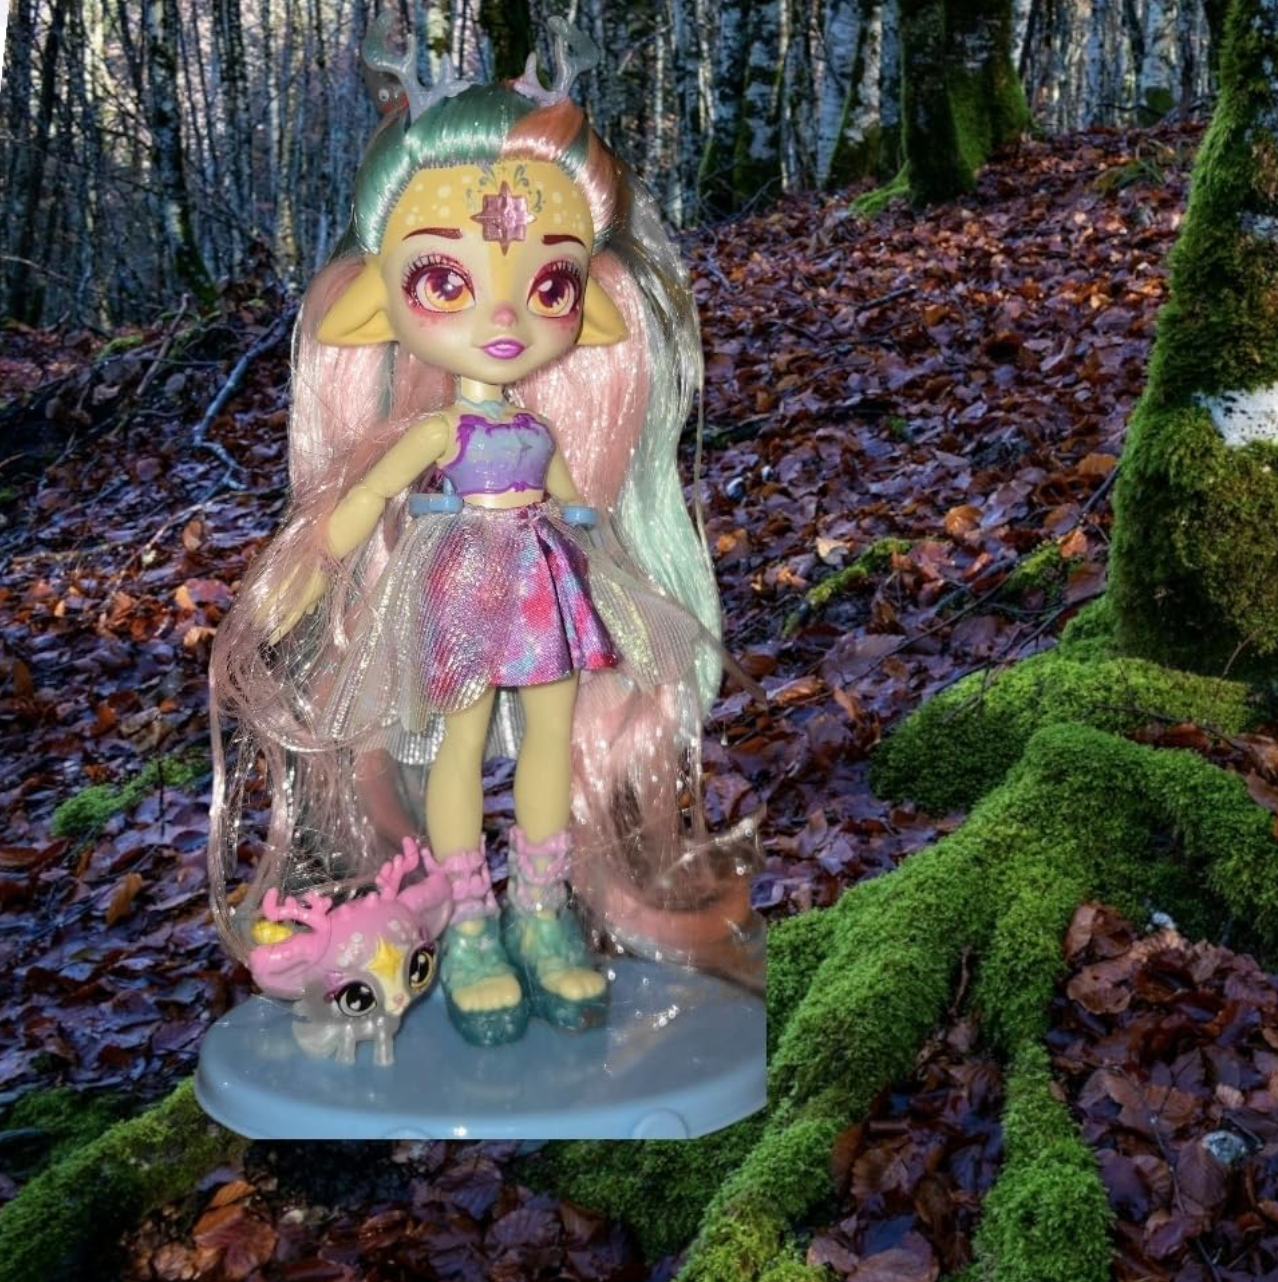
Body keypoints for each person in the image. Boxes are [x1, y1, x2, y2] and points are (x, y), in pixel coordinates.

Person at [208, 16, 761, 1053]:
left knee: (549, 733)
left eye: (548, 285)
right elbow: (362, 503)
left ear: (589, 306)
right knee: (460, 744)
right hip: (459, 584)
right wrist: (306, 572)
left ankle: (540, 908)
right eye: (445, 283)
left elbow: (579, 509)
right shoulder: (436, 433)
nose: (504, 318)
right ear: (379, 305)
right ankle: (469, 921)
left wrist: (624, 582)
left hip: (545, 585)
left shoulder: (538, 433)